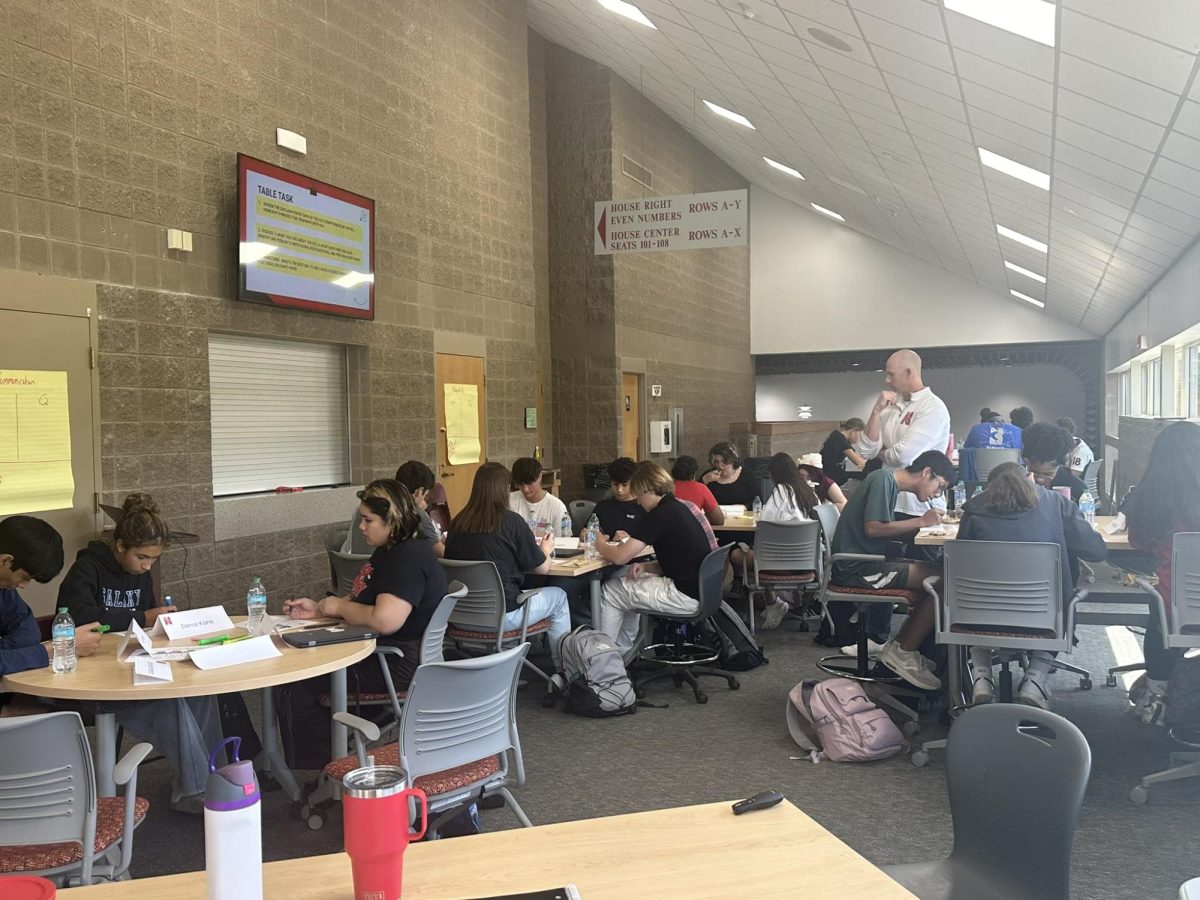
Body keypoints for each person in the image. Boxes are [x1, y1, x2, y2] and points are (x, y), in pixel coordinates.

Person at [56, 493, 222, 814]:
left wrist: (163, 623)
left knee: (201, 691)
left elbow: (146, 622)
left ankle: (214, 775)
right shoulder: (87, 569)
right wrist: (145, 618)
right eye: (142, 557)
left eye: (154, 560)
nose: (148, 566)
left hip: (132, 663)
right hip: (95, 675)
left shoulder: (140, 574)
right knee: (170, 704)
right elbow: (81, 621)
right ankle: (196, 789)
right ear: (120, 546)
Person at [279, 479, 450, 769]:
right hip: (388, 653)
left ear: (392, 519)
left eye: (368, 520)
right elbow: (363, 600)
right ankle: (334, 752)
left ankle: (326, 768)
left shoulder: (406, 557)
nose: (361, 526)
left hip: (396, 662)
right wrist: (320, 609)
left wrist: (339, 606)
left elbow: (385, 619)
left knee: (295, 680)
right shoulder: (391, 549)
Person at [957, 463, 1107, 709]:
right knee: (1067, 599)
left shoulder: (974, 510)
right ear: (1029, 478)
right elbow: (1096, 551)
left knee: (974, 593)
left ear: (989, 488)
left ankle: (981, 674)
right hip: (1045, 614)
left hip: (979, 615)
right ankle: (1035, 678)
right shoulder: (1057, 504)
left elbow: (962, 565)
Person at [830, 450, 956, 690]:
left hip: (862, 562)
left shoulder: (887, 481)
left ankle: (902, 647)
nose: (937, 494)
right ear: (926, 472)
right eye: (939, 486)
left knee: (941, 572)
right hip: (857, 568)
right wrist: (921, 522)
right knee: (943, 580)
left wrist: (922, 527)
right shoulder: (883, 480)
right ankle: (903, 650)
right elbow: (874, 529)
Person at [445, 462, 571, 675]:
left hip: (460, 616)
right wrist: (546, 550)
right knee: (559, 596)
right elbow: (541, 568)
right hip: (504, 616)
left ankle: (505, 662)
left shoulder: (457, 523)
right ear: (504, 490)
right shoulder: (511, 522)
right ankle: (564, 671)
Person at [1124, 422, 1200, 724]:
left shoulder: (1154, 496)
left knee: (1159, 604)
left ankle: (1156, 693)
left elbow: (1138, 542)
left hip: (1178, 607)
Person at [596, 462, 712, 655]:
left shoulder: (660, 514)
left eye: (639, 496)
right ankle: (623, 653)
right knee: (628, 587)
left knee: (611, 590)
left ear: (648, 490)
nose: (639, 502)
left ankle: (604, 659)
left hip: (684, 595)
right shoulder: (679, 507)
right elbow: (681, 557)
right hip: (700, 590)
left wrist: (599, 543)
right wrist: (648, 566)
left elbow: (620, 557)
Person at [1, 516, 103, 685]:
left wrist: (6, 656)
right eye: (25, 577)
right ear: (5, 561)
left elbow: (28, 632)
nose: (24, 586)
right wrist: (56, 649)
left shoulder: (3, 588)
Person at [856, 349, 951, 522]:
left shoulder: (932, 408)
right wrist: (876, 411)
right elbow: (864, 451)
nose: (887, 380)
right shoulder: (889, 406)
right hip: (889, 501)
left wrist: (882, 451)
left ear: (909, 373)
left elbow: (902, 456)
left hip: (920, 507)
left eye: (891, 375)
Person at [344, 461, 445, 557]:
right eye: (425, 495)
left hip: (354, 565)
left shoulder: (365, 507)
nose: (362, 526)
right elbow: (441, 553)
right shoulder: (412, 513)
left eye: (368, 520)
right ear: (419, 492)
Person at [1021, 422, 1087, 502]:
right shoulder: (1016, 483)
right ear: (1026, 462)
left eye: (1048, 474)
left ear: (1060, 465)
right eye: (1034, 473)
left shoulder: (1077, 489)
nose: (1040, 480)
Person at [509, 457, 571, 536]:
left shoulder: (557, 506)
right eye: (521, 484)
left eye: (529, 483)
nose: (525, 489)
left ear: (540, 477)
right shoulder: (510, 500)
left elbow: (562, 540)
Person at [588, 457, 644, 538]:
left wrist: (630, 540)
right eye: (615, 484)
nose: (619, 490)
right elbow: (588, 529)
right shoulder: (603, 506)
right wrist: (586, 534)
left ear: (634, 482)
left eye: (625, 485)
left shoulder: (644, 507)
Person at [761, 453, 818, 524]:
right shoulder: (807, 489)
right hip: (811, 534)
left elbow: (765, 519)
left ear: (775, 474)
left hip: (788, 534)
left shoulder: (782, 489)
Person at [701, 441, 761, 508]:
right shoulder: (708, 476)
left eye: (724, 462)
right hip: (715, 516)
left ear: (733, 460)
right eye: (716, 462)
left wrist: (744, 507)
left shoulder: (747, 475)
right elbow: (695, 498)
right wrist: (703, 480)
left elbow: (758, 500)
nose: (720, 466)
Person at [671, 455, 724, 526]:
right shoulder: (701, 488)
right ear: (694, 473)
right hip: (690, 533)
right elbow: (719, 520)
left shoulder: (664, 488)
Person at [820, 418, 868, 484]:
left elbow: (858, 456)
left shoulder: (842, 438)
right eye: (860, 435)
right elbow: (859, 462)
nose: (859, 438)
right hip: (830, 477)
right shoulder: (839, 438)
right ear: (853, 431)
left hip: (835, 475)